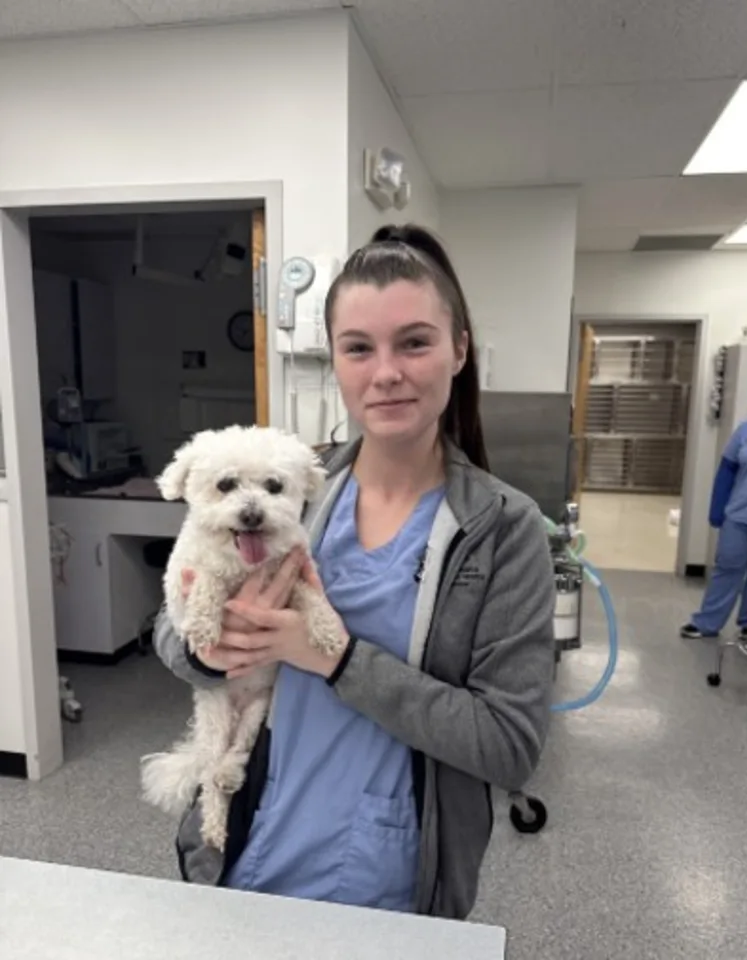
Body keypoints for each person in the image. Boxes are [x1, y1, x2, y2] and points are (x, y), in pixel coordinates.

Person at [153, 223, 557, 920]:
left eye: (415, 342)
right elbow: (173, 623)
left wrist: (338, 659)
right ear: (335, 360)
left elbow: (510, 745)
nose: (386, 372)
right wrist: (203, 651)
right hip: (250, 837)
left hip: (388, 871)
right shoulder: (292, 486)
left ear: (459, 349)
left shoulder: (502, 530)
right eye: (359, 348)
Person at [680, 376, 747, 655]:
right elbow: (726, 473)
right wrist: (717, 511)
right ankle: (707, 623)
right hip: (738, 516)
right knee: (727, 570)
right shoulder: (746, 431)